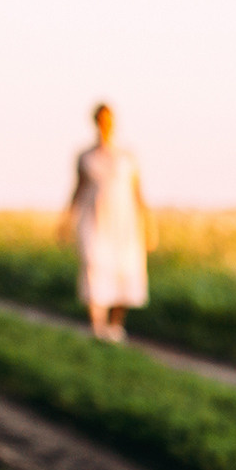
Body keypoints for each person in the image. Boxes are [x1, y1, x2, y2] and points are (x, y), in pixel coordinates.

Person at [64, 103, 153, 341]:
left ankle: (115, 328)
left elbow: (138, 193)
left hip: (124, 223)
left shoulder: (127, 156)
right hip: (94, 219)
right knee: (94, 267)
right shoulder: (85, 156)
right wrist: (66, 219)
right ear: (95, 122)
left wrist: (149, 226)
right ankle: (98, 327)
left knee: (125, 270)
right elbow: (78, 189)